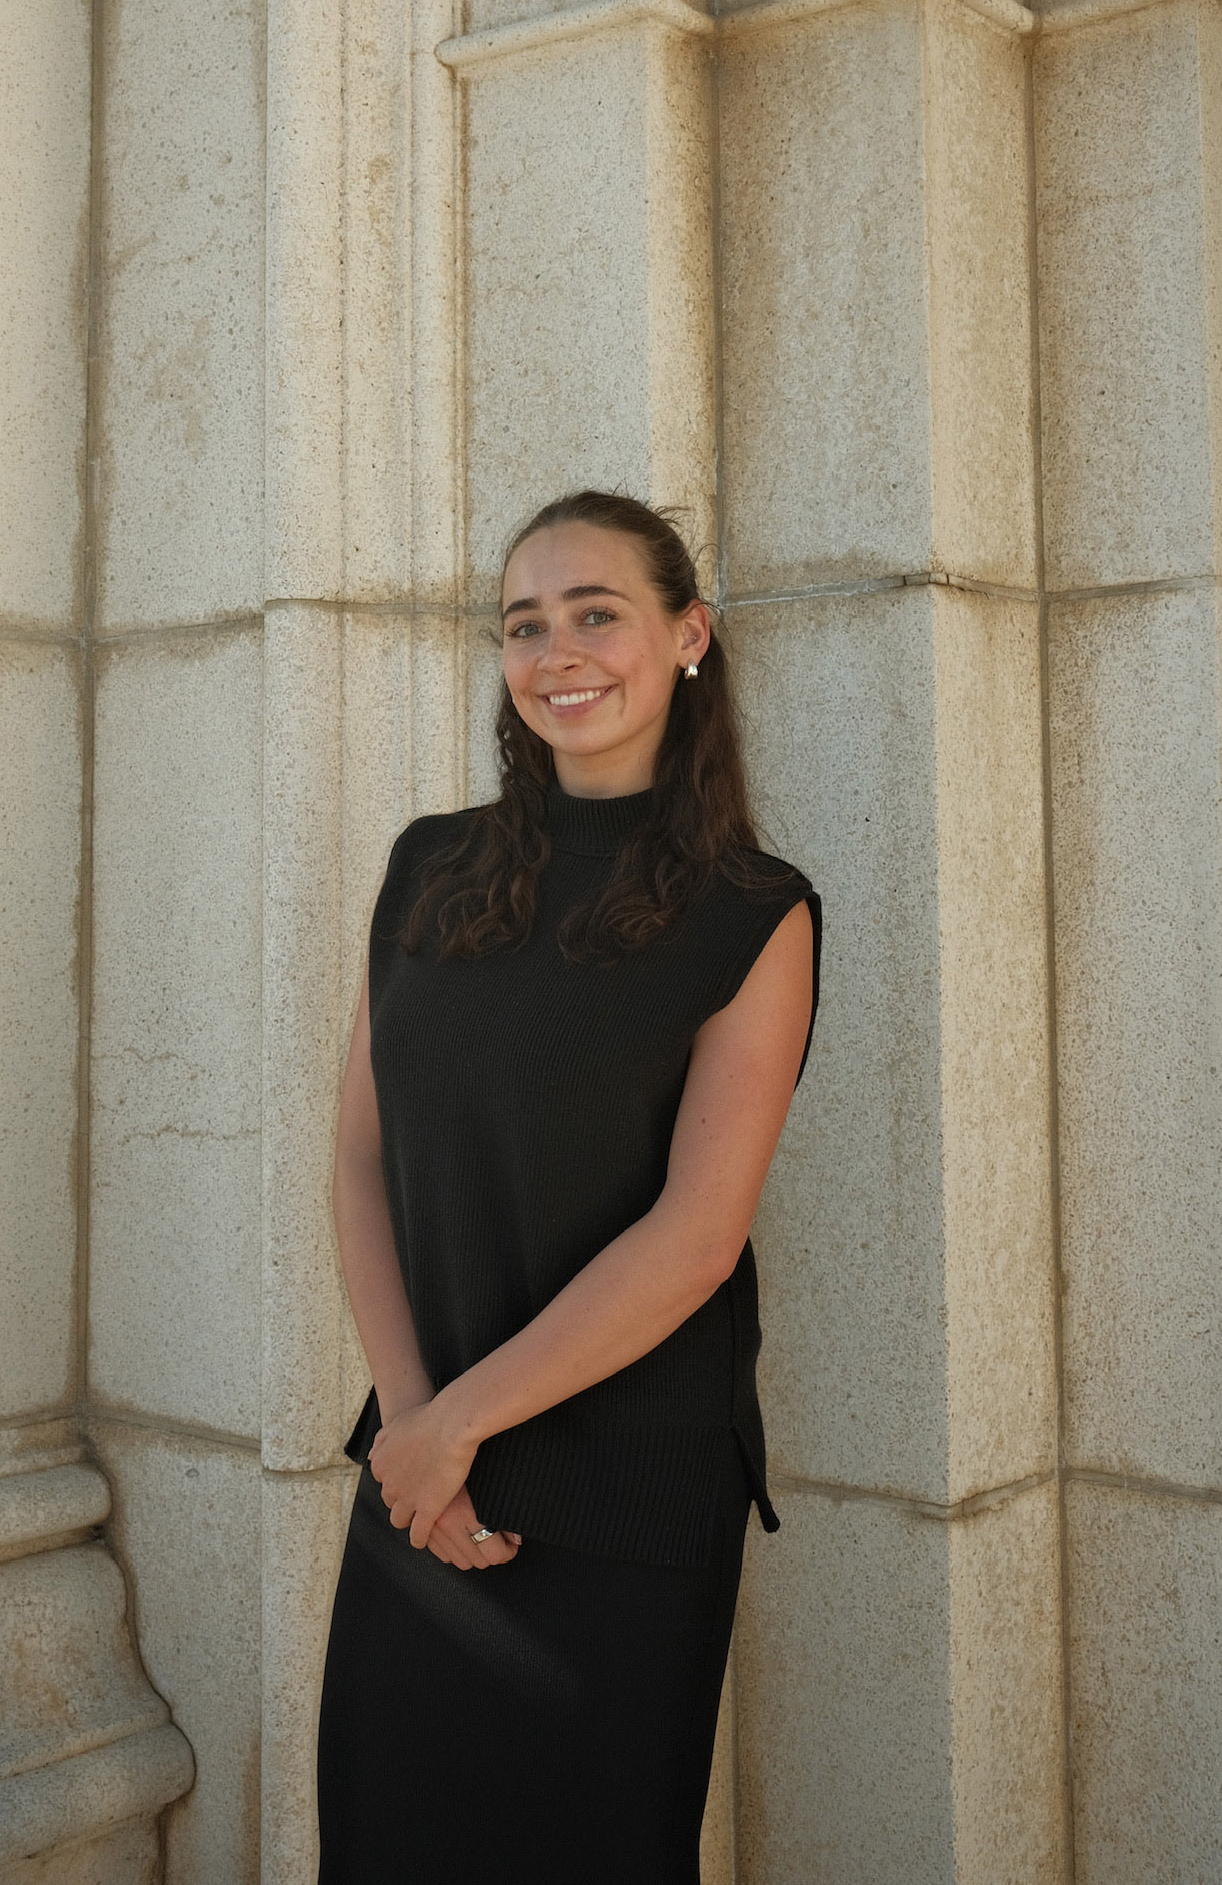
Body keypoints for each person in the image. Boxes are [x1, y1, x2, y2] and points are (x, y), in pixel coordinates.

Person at [316, 490, 821, 1885]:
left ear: (688, 637)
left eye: (597, 612)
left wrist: (455, 1424)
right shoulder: (428, 865)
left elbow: (698, 1237)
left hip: (623, 1497)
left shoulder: (756, 910)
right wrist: (413, 1428)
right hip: (421, 1487)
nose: (558, 651)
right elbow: (362, 1158)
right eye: (524, 624)